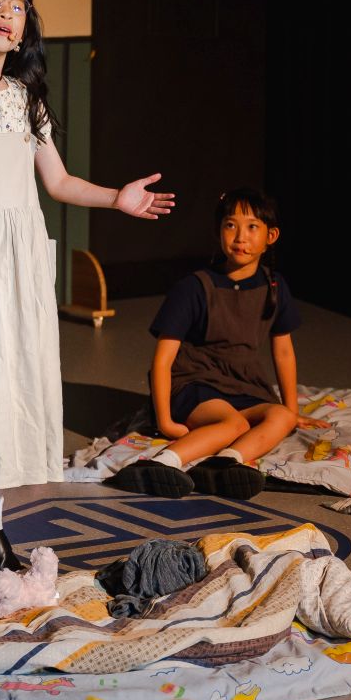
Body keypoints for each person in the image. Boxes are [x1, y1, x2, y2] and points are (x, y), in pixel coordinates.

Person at [0, 0, 174, 596]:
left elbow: (59, 182)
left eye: (18, 6)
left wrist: (118, 198)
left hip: (16, 266)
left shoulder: (28, 103)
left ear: (25, 29)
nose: (7, 13)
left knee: (10, 386)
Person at [110, 188, 301, 499]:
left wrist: (293, 410)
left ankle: (223, 464)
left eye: (252, 226)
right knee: (233, 423)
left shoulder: (274, 285)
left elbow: (283, 352)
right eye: (230, 225)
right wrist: (165, 420)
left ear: (271, 235)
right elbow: (162, 360)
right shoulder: (194, 287)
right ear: (218, 231)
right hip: (194, 380)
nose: (240, 236)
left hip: (244, 382)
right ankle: (160, 464)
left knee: (282, 417)